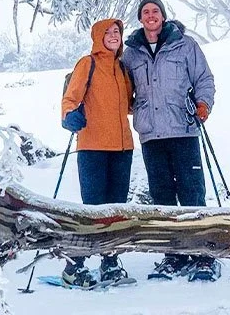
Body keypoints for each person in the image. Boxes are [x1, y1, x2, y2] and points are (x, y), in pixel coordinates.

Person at [121, 0, 219, 281]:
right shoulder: (131, 53)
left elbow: (204, 79)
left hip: (183, 128)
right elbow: (122, 87)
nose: (151, 16)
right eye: (145, 12)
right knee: (161, 195)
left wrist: (204, 104)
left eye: (155, 11)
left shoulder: (185, 45)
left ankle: (202, 255)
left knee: (192, 192)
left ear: (163, 16)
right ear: (140, 19)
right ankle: (173, 255)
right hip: (151, 135)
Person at [60, 18, 134, 288]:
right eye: (109, 32)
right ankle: (73, 266)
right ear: (98, 36)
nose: (114, 36)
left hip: (122, 148)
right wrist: (69, 116)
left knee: (116, 209)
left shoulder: (122, 68)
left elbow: (129, 105)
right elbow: (70, 98)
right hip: (92, 147)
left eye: (117, 32)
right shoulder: (87, 64)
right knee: (93, 210)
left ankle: (110, 262)